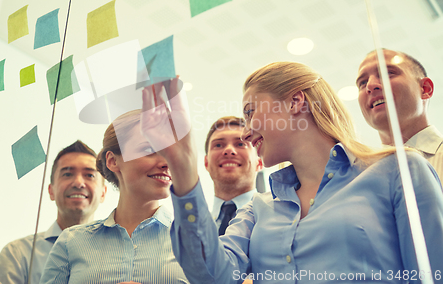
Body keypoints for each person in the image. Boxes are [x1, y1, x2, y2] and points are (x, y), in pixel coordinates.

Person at [140, 66, 443, 283]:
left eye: (250, 112)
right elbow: (210, 275)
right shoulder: (258, 209)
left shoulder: (399, 171)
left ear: (296, 102)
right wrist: (181, 163)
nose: (246, 133)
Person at [40, 110, 188, 284]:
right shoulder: (71, 242)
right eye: (149, 149)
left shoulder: (197, 241)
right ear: (112, 161)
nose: (166, 162)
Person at [0, 140, 107, 284]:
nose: (78, 183)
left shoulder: (118, 254)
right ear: (51, 191)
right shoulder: (18, 254)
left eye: (90, 175)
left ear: (103, 193)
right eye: (67, 174)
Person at [357, 48, 443, 179]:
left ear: (425, 89)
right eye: (362, 82)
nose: (370, 85)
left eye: (387, 73)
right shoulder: (359, 177)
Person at [203, 117, 262, 235]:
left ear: (259, 162)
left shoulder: (281, 219)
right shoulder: (191, 231)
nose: (229, 150)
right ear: (206, 163)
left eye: (240, 144)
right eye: (218, 145)